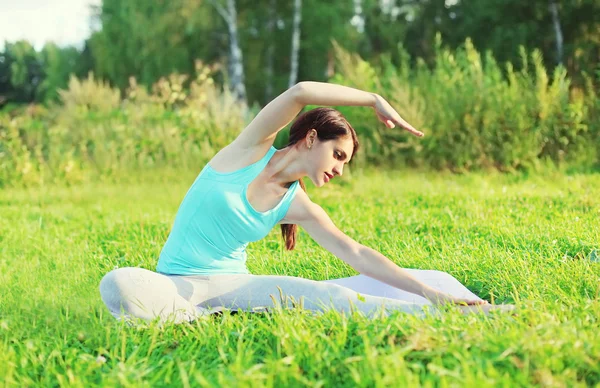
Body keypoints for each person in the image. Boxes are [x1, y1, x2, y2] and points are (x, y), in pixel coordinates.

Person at [99, 81, 515, 325]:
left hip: (233, 286)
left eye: (345, 164)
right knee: (118, 282)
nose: (339, 169)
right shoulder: (248, 150)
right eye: (338, 155)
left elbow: (357, 253)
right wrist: (372, 99)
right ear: (312, 137)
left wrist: (427, 292)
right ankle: (194, 315)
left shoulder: (297, 204)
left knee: (325, 296)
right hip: (175, 280)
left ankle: (465, 314)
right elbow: (300, 92)